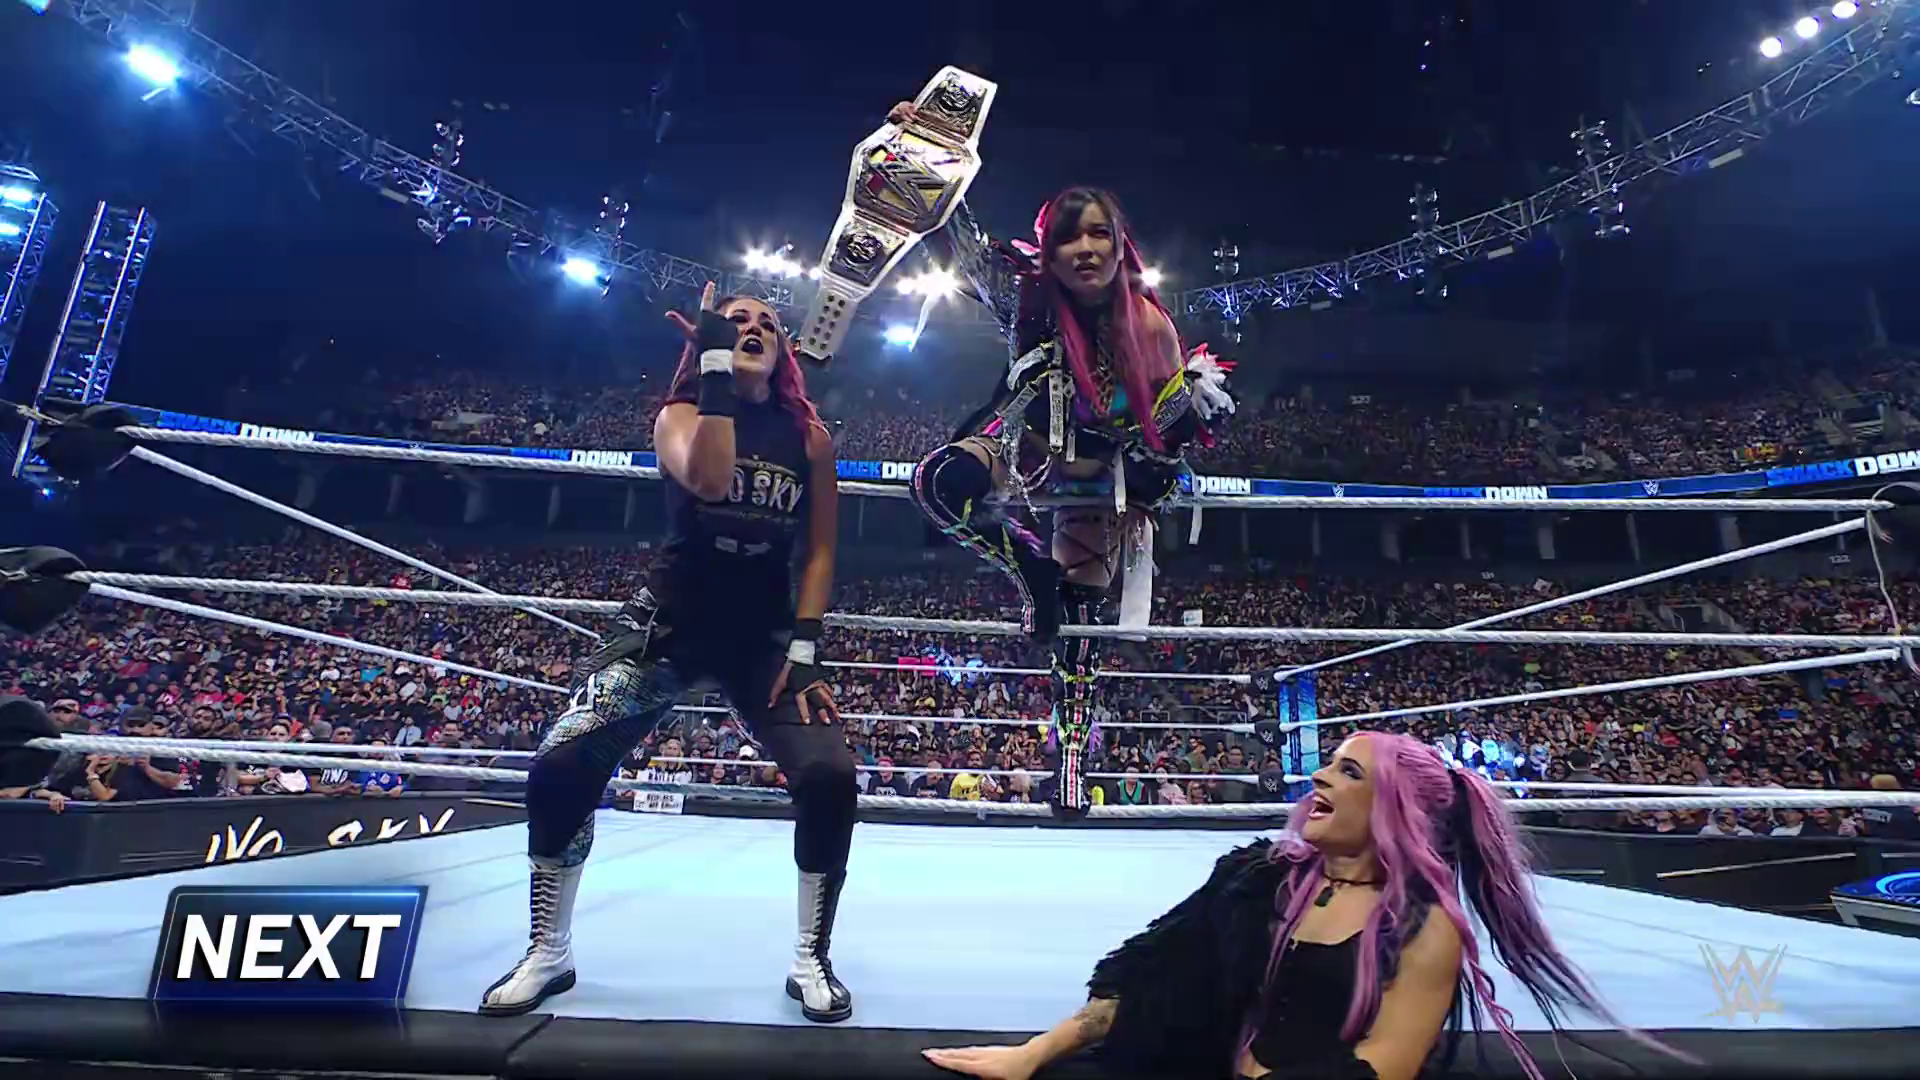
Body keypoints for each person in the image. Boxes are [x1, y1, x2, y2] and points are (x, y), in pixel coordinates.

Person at [481, 285, 860, 1024]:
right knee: (561, 764)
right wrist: (711, 367)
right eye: (738, 320)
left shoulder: (809, 437)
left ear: (785, 353)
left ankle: (810, 957)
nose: (754, 327)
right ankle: (548, 951)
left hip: (763, 637)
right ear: (713, 341)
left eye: (768, 323)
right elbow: (712, 479)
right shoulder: (678, 415)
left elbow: (819, 551)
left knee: (830, 776)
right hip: (669, 625)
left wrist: (808, 646)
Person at [925, 731, 1678, 1080]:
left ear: (1396, 810)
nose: (1319, 776)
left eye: (1348, 772)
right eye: (1330, 763)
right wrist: (1035, 1053)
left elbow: (1383, 1067)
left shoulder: (1423, 928)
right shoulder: (1258, 877)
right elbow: (1152, 973)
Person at [893, 104, 1235, 817]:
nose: (1084, 248)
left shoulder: (1149, 327)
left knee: (1078, 624)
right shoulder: (1026, 294)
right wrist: (927, 154)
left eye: (1098, 233)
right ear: (1048, 251)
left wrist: (1146, 482)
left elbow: (1169, 436)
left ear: (1119, 245)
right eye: (1069, 236)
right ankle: (1030, 567)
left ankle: (1071, 763)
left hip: (1096, 467)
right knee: (935, 482)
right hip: (1018, 432)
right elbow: (959, 237)